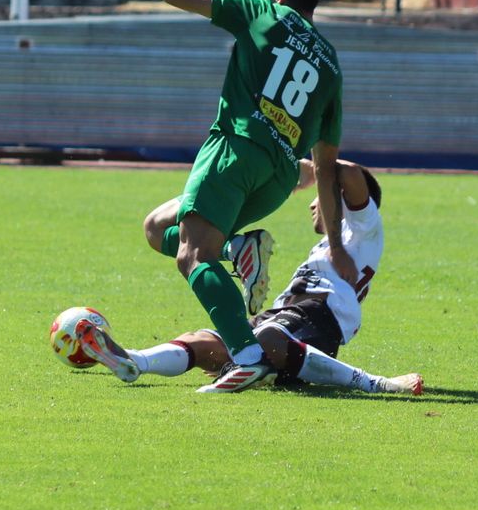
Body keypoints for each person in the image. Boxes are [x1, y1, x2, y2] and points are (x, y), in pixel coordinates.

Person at [144, 0, 355, 394]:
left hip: (235, 151)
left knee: (193, 255)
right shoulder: (331, 64)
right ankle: (241, 248)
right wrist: (335, 245)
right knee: (156, 227)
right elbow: (325, 164)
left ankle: (247, 355)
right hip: (277, 176)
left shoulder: (263, 13)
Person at [82, 158, 421, 395]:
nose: (312, 204)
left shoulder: (363, 229)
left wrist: (296, 167)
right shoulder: (335, 243)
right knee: (205, 342)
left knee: (268, 340)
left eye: (320, 196)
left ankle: (374, 382)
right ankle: (134, 361)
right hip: (281, 318)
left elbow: (348, 171)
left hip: (317, 320)